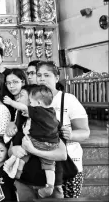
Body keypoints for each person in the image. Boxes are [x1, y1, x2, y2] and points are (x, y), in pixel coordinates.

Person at [37, 61, 90, 198]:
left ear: (56, 77)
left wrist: (70, 134)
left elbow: (85, 132)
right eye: (39, 75)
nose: (42, 78)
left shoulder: (68, 100)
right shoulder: (33, 100)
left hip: (68, 164)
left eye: (46, 75)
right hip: (44, 165)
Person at [3, 85, 59, 197]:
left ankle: (17, 170)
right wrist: (13, 149)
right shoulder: (51, 113)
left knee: (26, 152)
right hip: (26, 182)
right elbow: (10, 150)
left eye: (29, 100)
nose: (18, 99)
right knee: (49, 167)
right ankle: (49, 185)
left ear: (37, 103)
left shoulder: (38, 111)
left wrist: (10, 102)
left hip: (39, 177)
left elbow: (63, 155)